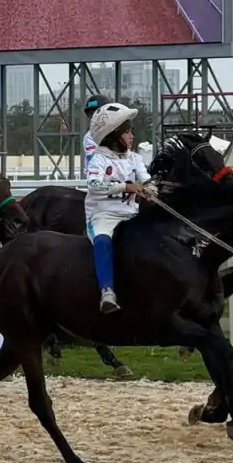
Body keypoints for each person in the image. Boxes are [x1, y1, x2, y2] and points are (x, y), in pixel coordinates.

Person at [84, 101, 150, 314]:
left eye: (132, 130)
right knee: (102, 241)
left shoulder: (135, 158)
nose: (132, 135)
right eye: (127, 131)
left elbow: (146, 181)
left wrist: (152, 190)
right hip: (102, 215)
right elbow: (93, 185)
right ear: (114, 135)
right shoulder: (99, 159)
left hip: (131, 213)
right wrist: (126, 186)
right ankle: (107, 292)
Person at [81, 93, 110, 171]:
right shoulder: (90, 136)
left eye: (98, 113)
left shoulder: (118, 131)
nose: (94, 117)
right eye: (91, 114)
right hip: (98, 178)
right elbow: (94, 161)